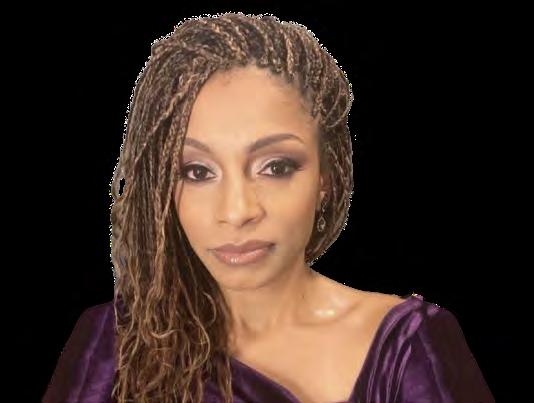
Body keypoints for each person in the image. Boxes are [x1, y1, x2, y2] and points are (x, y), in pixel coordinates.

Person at [43, 12, 494, 403]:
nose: (237, 210)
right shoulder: (112, 346)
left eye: (275, 167)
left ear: (327, 175)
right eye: (197, 172)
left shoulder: (411, 348)